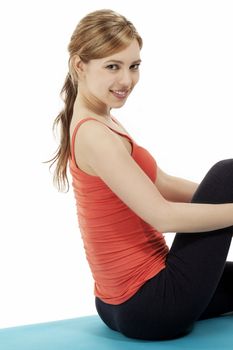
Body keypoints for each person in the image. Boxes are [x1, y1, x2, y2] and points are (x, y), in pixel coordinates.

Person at [48, 9, 233, 340]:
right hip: (151, 303)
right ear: (80, 66)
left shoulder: (100, 119)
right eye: (112, 66)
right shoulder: (94, 134)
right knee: (228, 173)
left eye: (134, 66)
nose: (126, 80)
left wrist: (220, 199)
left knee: (223, 185)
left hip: (120, 304)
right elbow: (162, 216)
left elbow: (160, 183)